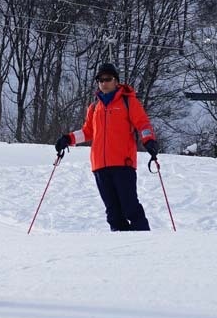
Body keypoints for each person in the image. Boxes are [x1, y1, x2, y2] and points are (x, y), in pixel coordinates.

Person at [54, 63, 159, 231]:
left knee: (130, 207)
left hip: (123, 163)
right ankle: (122, 244)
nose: (104, 83)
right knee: (113, 213)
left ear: (116, 81)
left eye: (108, 79)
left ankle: (145, 240)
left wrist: (149, 141)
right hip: (100, 166)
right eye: (100, 80)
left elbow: (143, 124)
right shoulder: (94, 107)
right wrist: (68, 139)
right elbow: (88, 131)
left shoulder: (128, 101)